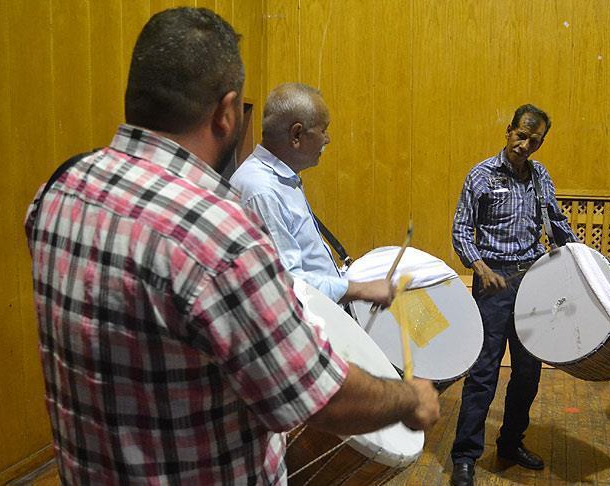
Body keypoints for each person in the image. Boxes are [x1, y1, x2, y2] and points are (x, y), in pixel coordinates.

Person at [25, 8, 438, 484]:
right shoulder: (221, 234)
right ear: (226, 113)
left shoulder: (59, 189)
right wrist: (408, 398)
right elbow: (317, 393)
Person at [449, 104, 577, 486]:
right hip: (493, 283)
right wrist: (480, 268)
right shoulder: (482, 175)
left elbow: (556, 222)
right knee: (483, 374)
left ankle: (510, 442)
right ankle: (465, 457)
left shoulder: (540, 177)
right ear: (508, 130)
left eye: (534, 140)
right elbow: (461, 230)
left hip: (533, 282)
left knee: (528, 372)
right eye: (520, 136)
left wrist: (580, 260)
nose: (524, 145)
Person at [230, 83, 394, 308]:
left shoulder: (281, 180)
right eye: (323, 130)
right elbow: (288, 283)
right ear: (296, 134)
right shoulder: (261, 189)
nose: (327, 139)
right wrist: (359, 289)